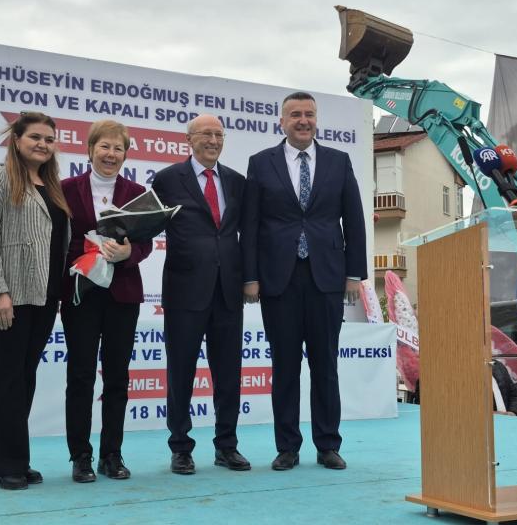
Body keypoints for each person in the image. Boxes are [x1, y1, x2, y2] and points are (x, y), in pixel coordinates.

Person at [241, 92, 367, 470]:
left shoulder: (338, 161)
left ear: (316, 120)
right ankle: (287, 447)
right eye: (295, 114)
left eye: (309, 114)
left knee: (325, 364)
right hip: (278, 279)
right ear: (281, 121)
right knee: (284, 366)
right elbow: (250, 225)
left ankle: (328, 445)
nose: (303, 120)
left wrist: (354, 274)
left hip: (326, 277)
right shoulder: (261, 163)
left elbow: (354, 220)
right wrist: (250, 277)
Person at [0, 111, 70, 490]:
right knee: (8, 378)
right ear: (17, 140)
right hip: (8, 295)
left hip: (45, 296)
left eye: (49, 139)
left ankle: (18, 459)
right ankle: (4, 464)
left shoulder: (52, 185)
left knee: (24, 377)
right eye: (35, 137)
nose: (43, 144)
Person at [151, 114, 250, 475]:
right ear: (188, 140)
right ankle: (180, 448)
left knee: (229, 375)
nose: (213, 140)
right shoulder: (166, 179)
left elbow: (246, 233)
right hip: (184, 291)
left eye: (219, 134)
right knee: (181, 373)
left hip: (228, 291)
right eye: (206, 134)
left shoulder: (237, 181)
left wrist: (250, 279)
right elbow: (148, 225)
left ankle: (227, 446)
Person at [60, 120, 153, 482]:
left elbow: (145, 242)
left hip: (122, 294)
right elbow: (59, 240)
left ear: (126, 154)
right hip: (80, 293)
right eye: (105, 146)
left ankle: (111, 455)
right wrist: (83, 256)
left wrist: (129, 253)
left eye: (118, 148)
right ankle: (80, 456)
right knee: (81, 376)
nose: (111, 154)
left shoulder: (137, 192)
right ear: (90, 149)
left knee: (117, 377)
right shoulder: (66, 189)